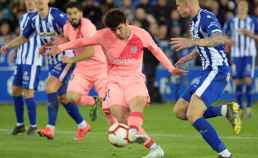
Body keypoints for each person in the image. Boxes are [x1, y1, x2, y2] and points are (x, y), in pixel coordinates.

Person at [49, 8, 183, 158]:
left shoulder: (141, 34)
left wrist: (171, 68)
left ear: (126, 22)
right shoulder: (103, 35)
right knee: (121, 120)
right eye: (114, 30)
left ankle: (134, 130)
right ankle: (154, 148)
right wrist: (60, 47)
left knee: (136, 104)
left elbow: (156, 50)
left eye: (119, 28)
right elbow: (81, 41)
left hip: (134, 78)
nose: (117, 33)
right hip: (113, 81)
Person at [1, 0, 90, 141]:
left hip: (66, 58)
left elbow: (71, 34)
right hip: (52, 60)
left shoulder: (57, 16)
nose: (39, 2)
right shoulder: (34, 19)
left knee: (50, 86)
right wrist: (8, 46)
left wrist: (60, 44)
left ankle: (50, 128)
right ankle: (83, 125)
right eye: (36, 0)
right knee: (63, 97)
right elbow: (24, 37)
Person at [170, 0, 242, 157]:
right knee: (180, 111)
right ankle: (225, 110)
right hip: (207, 72)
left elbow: (217, 39)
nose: (176, 8)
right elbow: (204, 44)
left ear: (187, 4)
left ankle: (225, 154)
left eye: (178, 5)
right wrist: (188, 57)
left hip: (217, 71)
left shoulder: (206, 17)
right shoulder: (194, 21)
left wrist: (191, 42)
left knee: (193, 115)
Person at [58, 2, 116, 124]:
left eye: (75, 13)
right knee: (71, 97)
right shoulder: (67, 27)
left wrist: (71, 59)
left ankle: (116, 128)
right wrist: (51, 46)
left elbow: (90, 51)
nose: (72, 16)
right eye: (69, 13)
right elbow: (66, 40)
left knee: (108, 108)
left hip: (99, 68)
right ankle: (94, 101)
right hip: (82, 69)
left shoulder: (87, 26)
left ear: (81, 13)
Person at [0, 0, 42, 136]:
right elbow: (22, 38)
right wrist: (15, 50)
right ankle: (20, 125)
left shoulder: (40, 17)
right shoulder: (23, 17)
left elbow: (25, 38)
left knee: (28, 92)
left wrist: (7, 46)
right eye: (27, 0)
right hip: (21, 59)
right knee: (15, 90)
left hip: (32, 60)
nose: (30, 2)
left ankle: (34, 126)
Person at [224, 0, 258, 119]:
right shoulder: (231, 21)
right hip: (236, 55)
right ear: (237, 8)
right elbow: (222, 34)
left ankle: (249, 108)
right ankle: (239, 109)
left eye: (243, 6)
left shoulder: (253, 21)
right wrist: (228, 41)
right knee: (237, 82)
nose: (241, 8)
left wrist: (249, 34)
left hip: (248, 54)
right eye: (240, 6)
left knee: (247, 80)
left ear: (247, 8)